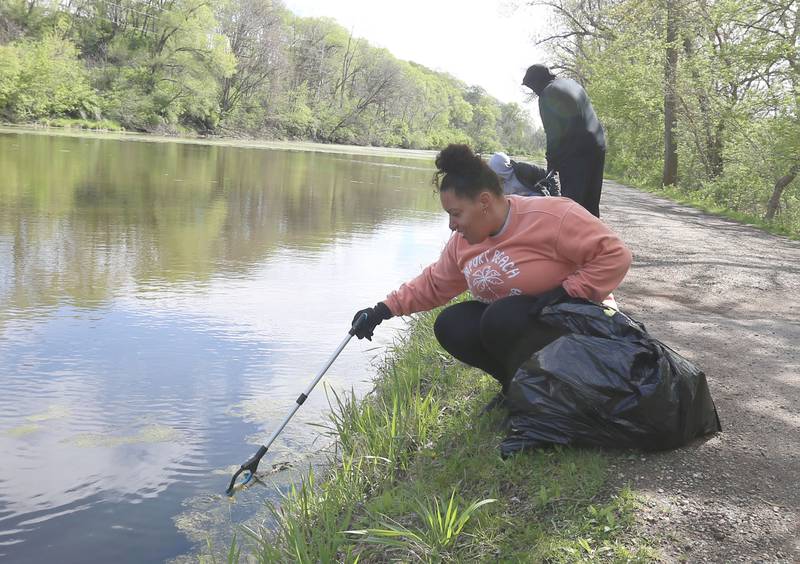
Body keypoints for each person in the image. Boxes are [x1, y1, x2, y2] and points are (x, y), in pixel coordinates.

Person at [351, 144, 632, 412]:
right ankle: (519, 388)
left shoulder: (551, 215)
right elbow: (434, 283)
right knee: (452, 324)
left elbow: (614, 255)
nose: (451, 225)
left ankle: (558, 390)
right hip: (523, 324)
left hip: (582, 324)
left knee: (501, 316)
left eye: (456, 214)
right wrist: (382, 311)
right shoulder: (462, 243)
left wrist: (568, 292)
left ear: (484, 202)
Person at [522, 64, 606, 217]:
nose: (534, 91)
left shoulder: (547, 93)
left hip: (576, 153)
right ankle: (593, 236)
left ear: (537, 81)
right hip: (597, 144)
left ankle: (573, 237)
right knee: (591, 203)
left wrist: (551, 164)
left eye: (532, 87)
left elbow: (553, 133)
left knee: (572, 204)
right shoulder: (572, 84)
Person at [487, 152, 560, 197]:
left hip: (536, 202)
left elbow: (550, 176)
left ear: (502, 168)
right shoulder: (494, 184)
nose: (492, 175)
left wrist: (555, 198)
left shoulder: (522, 169)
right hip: (517, 209)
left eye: (494, 172)